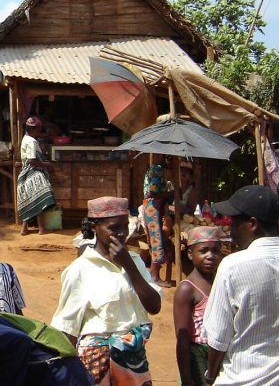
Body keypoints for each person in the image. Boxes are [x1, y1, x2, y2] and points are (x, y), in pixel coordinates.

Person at [51, 196, 162, 386]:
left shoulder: (134, 261)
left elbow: (154, 305)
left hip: (134, 360)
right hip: (97, 363)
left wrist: (128, 265)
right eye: (113, 228)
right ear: (95, 228)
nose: (121, 234)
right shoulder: (79, 269)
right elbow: (67, 327)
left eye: (124, 227)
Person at [204, 185, 279, 386]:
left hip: (241, 378)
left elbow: (218, 338)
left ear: (253, 224)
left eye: (234, 222)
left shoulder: (232, 266)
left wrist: (211, 376)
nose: (230, 229)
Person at [173, 226, 225, 386]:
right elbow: (182, 339)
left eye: (216, 251)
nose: (210, 256)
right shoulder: (187, 288)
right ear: (190, 254)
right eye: (203, 251)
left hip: (220, 352)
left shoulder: (222, 281)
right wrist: (187, 379)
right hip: (198, 355)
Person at [16, 117, 56, 235]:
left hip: (25, 173)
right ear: (36, 129)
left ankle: (25, 228)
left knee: (30, 199)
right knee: (41, 198)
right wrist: (47, 165)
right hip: (33, 172)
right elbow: (31, 161)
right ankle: (41, 228)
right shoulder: (32, 142)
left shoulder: (26, 138)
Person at [143, 154, 174, 285]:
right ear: (168, 159)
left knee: (157, 239)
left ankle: (153, 274)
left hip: (155, 208)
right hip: (153, 208)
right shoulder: (156, 170)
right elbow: (152, 193)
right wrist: (172, 193)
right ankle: (155, 277)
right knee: (157, 240)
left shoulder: (159, 170)